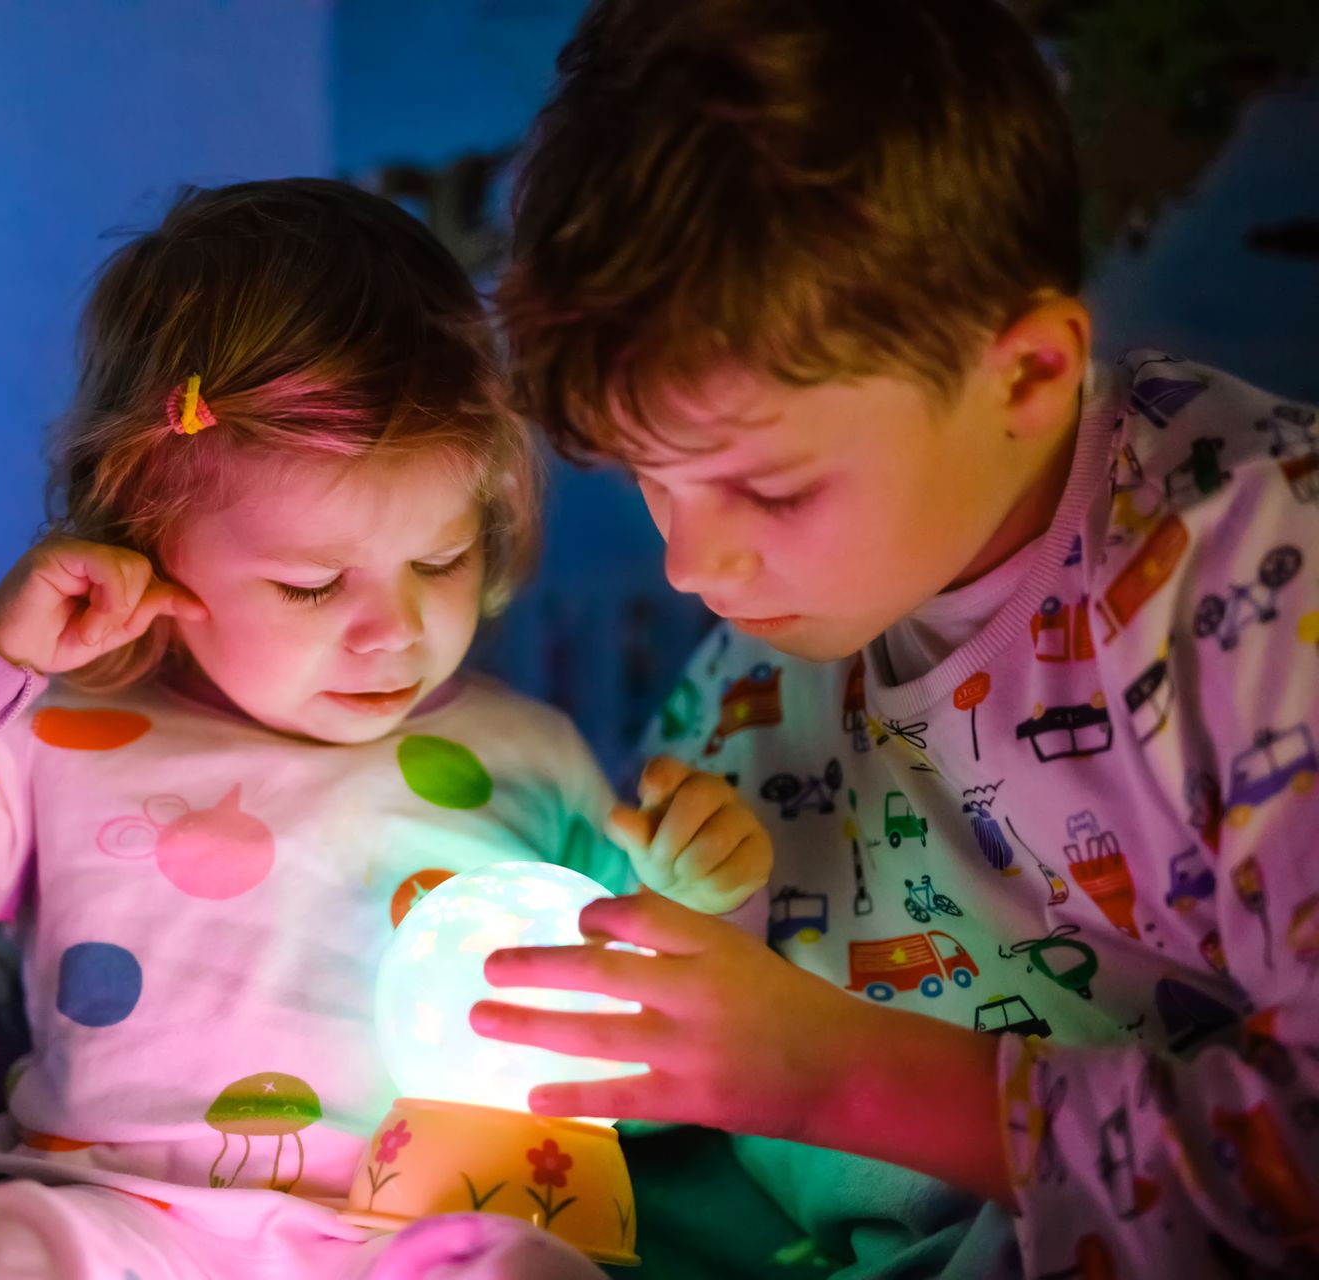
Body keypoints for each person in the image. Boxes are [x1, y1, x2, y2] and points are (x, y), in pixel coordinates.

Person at [0, 178, 770, 1279]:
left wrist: (707, 894)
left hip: (434, 1226)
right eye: (315, 586)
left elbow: (656, 1090)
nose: (397, 631)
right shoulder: (58, 733)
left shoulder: (532, 751)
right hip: (119, 1216)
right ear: (150, 536)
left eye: (441, 561)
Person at [476, 1, 1319, 1276]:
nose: (692, 567)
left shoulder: (1262, 568)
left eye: (770, 489)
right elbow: (642, 1085)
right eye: (649, 477)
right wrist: (703, 916)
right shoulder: (762, 649)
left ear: (1027, 377)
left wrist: (835, 1075)